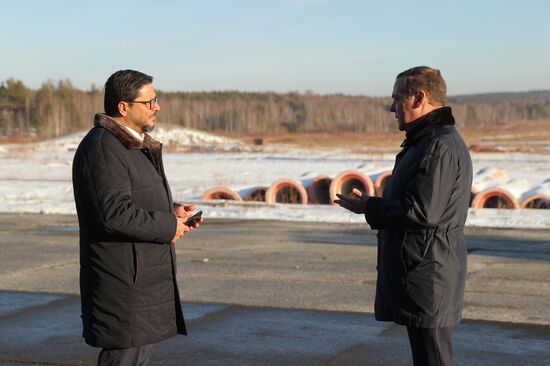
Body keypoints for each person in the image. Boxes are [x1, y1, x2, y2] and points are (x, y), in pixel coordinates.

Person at [335, 66, 472, 366]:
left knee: (433, 358)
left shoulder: (438, 146)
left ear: (419, 97)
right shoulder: (426, 141)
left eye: (397, 98)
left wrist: (370, 207)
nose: (391, 106)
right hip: (425, 274)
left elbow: (423, 211)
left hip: (430, 278)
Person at [72, 69, 203, 366]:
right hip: (122, 282)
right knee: (124, 356)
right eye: (149, 101)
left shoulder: (132, 145)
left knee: (137, 354)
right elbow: (113, 214)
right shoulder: (103, 148)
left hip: (139, 277)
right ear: (123, 107)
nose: (157, 106)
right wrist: (169, 227)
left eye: (156, 99)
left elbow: (132, 201)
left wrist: (172, 213)